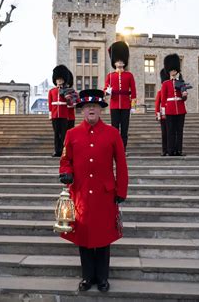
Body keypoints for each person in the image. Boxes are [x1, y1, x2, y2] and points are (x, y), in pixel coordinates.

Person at [59, 88, 128, 293]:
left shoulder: (112, 133)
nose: (91, 109)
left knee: (104, 236)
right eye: (87, 106)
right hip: (80, 193)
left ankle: (103, 278)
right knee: (84, 237)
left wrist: (121, 190)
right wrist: (66, 172)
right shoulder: (71, 134)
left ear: (101, 110)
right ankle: (87, 277)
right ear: (82, 110)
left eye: (95, 106)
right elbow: (65, 160)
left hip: (105, 194)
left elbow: (121, 165)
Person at [104, 41, 136, 152]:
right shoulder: (110, 76)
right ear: (114, 62)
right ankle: (115, 149)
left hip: (126, 105)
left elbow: (134, 92)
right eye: (118, 60)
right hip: (114, 104)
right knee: (114, 129)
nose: (120, 62)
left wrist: (133, 106)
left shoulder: (129, 75)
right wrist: (107, 92)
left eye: (121, 60)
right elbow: (105, 90)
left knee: (124, 130)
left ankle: (123, 149)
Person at [160, 53, 188, 156]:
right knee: (170, 131)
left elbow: (184, 98)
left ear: (177, 71)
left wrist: (184, 95)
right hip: (170, 109)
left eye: (175, 70)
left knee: (179, 131)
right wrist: (163, 112)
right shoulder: (165, 83)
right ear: (169, 71)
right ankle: (171, 150)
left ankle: (179, 150)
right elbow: (163, 99)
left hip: (180, 109)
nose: (173, 72)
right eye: (172, 70)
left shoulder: (182, 82)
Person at [48, 65, 70, 157]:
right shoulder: (52, 91)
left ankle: (64, 151)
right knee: (56, 134)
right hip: (54, 114)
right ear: (55, 80)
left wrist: (67, 98)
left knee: (64, 134)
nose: (59, 81)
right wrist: (50, 114)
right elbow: (50, 103)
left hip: (64, 114)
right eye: (58, 79)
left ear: (64, 80)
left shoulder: (67, 90)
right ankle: (57, 150)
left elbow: (69, 104)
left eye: (61, 79)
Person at [155, 69, 169, 156]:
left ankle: (171, 149)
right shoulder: (160, 92)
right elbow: (157, 104)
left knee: (171, 133)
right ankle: (164, 150)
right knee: (164, 133)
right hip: (164, 115)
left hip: (172, 114)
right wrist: (158, 114)